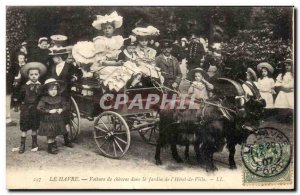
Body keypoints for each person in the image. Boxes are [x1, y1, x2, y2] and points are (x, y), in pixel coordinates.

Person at [18, 62, 47, 153]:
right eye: (31, 74)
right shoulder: (24, 87)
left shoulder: (41, 86)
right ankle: (22, 144)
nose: (34, 76)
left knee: (34, 127)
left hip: (35, 109)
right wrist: (22, 105)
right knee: (24, 127)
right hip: (26, 109)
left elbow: (42, 97)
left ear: (39, 75)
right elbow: (20, 97)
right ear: (28, 75)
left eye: (36, 74)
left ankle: (34, 143)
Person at [37, 78, 70, 154]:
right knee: (50, 133)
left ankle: (53, 143)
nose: (53, 91)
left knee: (55, 131)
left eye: (55, 89)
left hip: (57, 118)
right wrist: (48, 111)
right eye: (51, 89)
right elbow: (39, 108)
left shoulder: (59, 98)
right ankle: (50, 146)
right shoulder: (44, 98)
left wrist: (61, 109)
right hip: (48, 118)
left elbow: (66, 105)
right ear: (47, 90)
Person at [90, 11, 125, 81]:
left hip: (114, 64)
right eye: (105, 28)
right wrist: (115, 64)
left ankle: (125, 90)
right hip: (101, 66)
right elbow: (101, 61)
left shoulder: (116, 39)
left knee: (127, 70)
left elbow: (128, 41)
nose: (107, 30)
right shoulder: (100, 41)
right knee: (116, 73)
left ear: (113, 29)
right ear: (102, 29)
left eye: (109, 28)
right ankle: (110, 90)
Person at [6, 47, 17, 126]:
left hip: (8, 78)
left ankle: (7, 118)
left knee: (7, 97)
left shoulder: (10, 49)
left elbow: (13, 64)